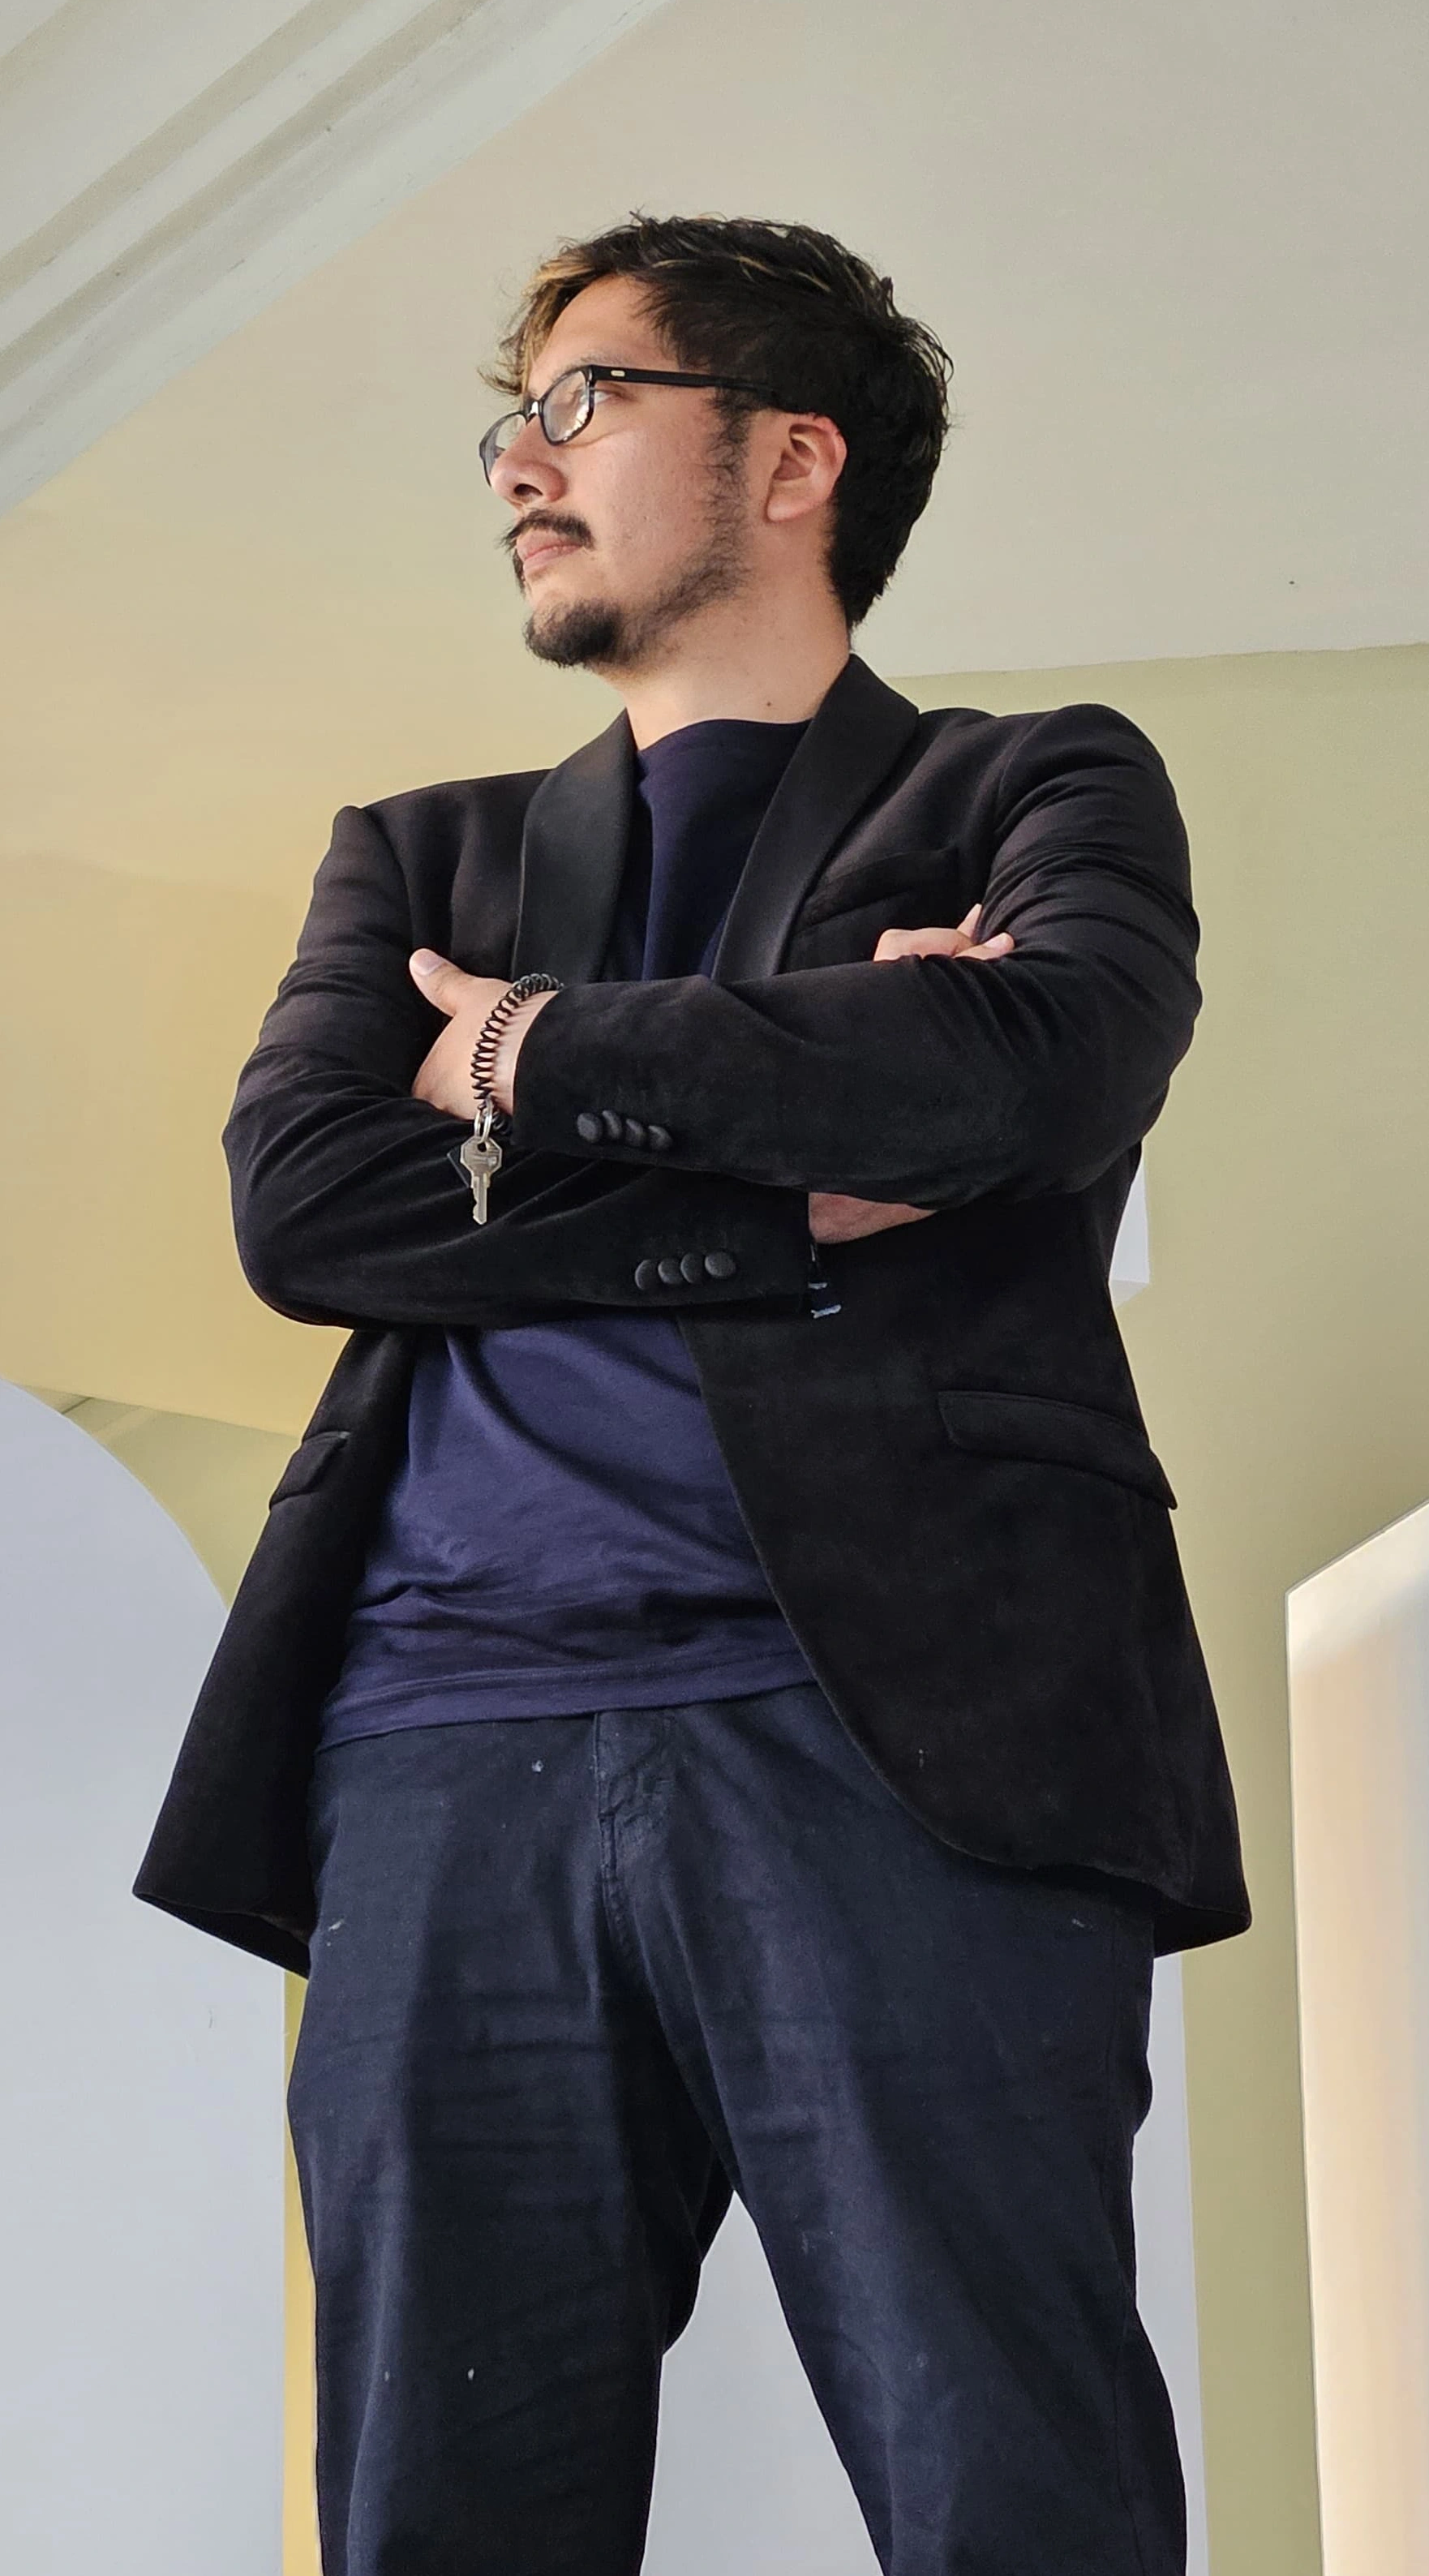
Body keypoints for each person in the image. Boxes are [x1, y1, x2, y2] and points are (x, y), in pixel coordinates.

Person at [135, 213, 1250, 2575]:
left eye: (586, 401)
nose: (517, 466)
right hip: (439, 1749)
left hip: (911, 1735)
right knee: (436, 2516)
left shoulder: (1037, 785)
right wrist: (793, 1155)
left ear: (791, 459)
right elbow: (311, 1207)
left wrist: (515, 1056)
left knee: (1015, 2494)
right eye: (507, 423)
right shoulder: (417, 856)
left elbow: (1031, 1075)